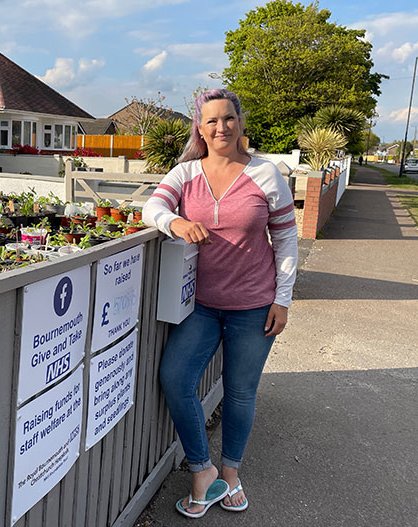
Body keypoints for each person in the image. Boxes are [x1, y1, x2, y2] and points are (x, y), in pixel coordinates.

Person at [143, 89, 297, 518]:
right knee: (175, 378)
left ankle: (231, 474)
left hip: (254, 305)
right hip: (202, 306)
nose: (220, 128)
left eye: (228, 118)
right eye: (211, 121)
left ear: (240, 122)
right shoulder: (186, 173)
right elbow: (150, 208)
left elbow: (286, 239)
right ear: (200, 127)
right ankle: (203, 469)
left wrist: (281, 300)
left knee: (240, 392)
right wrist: (174, 220)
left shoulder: (266, 174)